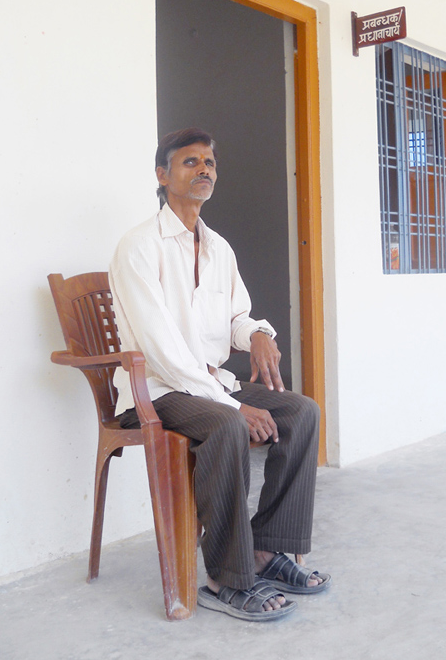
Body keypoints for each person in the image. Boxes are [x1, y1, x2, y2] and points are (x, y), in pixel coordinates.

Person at [109, 127, 331, 621]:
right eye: (190, 162)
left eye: (209, 162)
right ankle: (226, 578)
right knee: (229, 423)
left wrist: (258, 333)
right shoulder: (138, 247)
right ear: (162, 175)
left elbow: (236, 317)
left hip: (210, 383)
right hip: (157, 390)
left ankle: (265, 550)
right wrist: (232, 403)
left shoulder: (219, 249)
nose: (204, 169)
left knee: (302, 412)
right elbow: (163, 352)